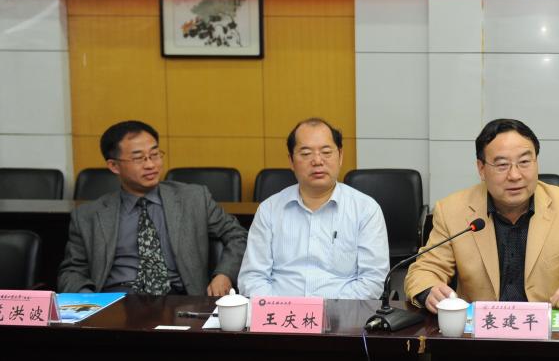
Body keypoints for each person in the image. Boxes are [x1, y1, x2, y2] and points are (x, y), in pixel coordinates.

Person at [405, 118, 559, 313]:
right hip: (480, 331)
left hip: (547, 330)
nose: (514, 175)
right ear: (481, 169)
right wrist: (429, 291)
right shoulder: (452, 210)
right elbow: (424, 271)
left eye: (525, 162)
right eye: (502, 165)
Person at [58, 120, 247, 296]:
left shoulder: (194, 199)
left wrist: (224, 274)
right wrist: (89, 300)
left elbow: (238, 236)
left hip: (180, 300)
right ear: (114, 166)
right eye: (138, 158)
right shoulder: (88, 215)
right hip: (116, 301)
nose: (150, 164)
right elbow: (72, 271)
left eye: (155, 154)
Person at [237, 118, 389, 299]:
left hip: (342, 314)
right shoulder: (269, 210)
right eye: (306, 153)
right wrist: (281, 310)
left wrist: (325, 311)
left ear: (340, 156)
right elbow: (252, 278)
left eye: (326, 152)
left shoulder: (366, 210)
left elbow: (372, 281)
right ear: (291, 161)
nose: (317, 161)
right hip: (280, 314)